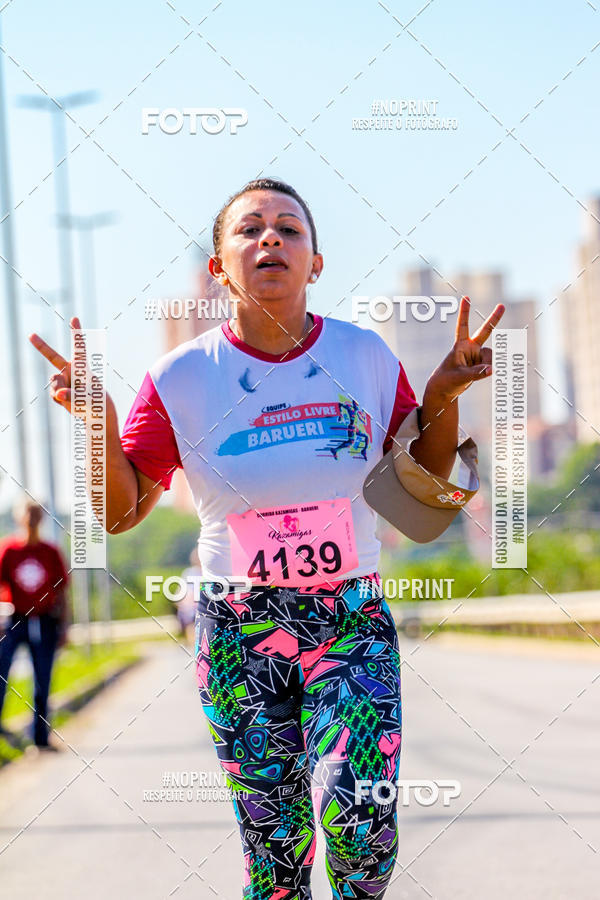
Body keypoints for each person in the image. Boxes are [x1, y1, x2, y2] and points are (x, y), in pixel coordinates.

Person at [30, 177, 504, 899]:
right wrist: (97, 418)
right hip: (239, 635)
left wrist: (440, 397)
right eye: (249, 230)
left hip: (350, 621)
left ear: (316, 262)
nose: (270, 239)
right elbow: (122, 513)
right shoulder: (181, 378)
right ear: (219, 266)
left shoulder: (365, 358)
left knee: (361, 831)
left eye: (290, 228)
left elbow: (420, 495)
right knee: (276, 859)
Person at [0, 499, 70, 749]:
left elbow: (62, 591)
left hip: (45, 621)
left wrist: (65, 625)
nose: (30, 520)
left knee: (42, 680)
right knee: (2, 673)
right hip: (14, 620)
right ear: (19, 518)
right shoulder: (9, 550)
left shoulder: (50, 552)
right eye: (26, 514)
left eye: (35, 515)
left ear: (40, 519)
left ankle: (40, 737)